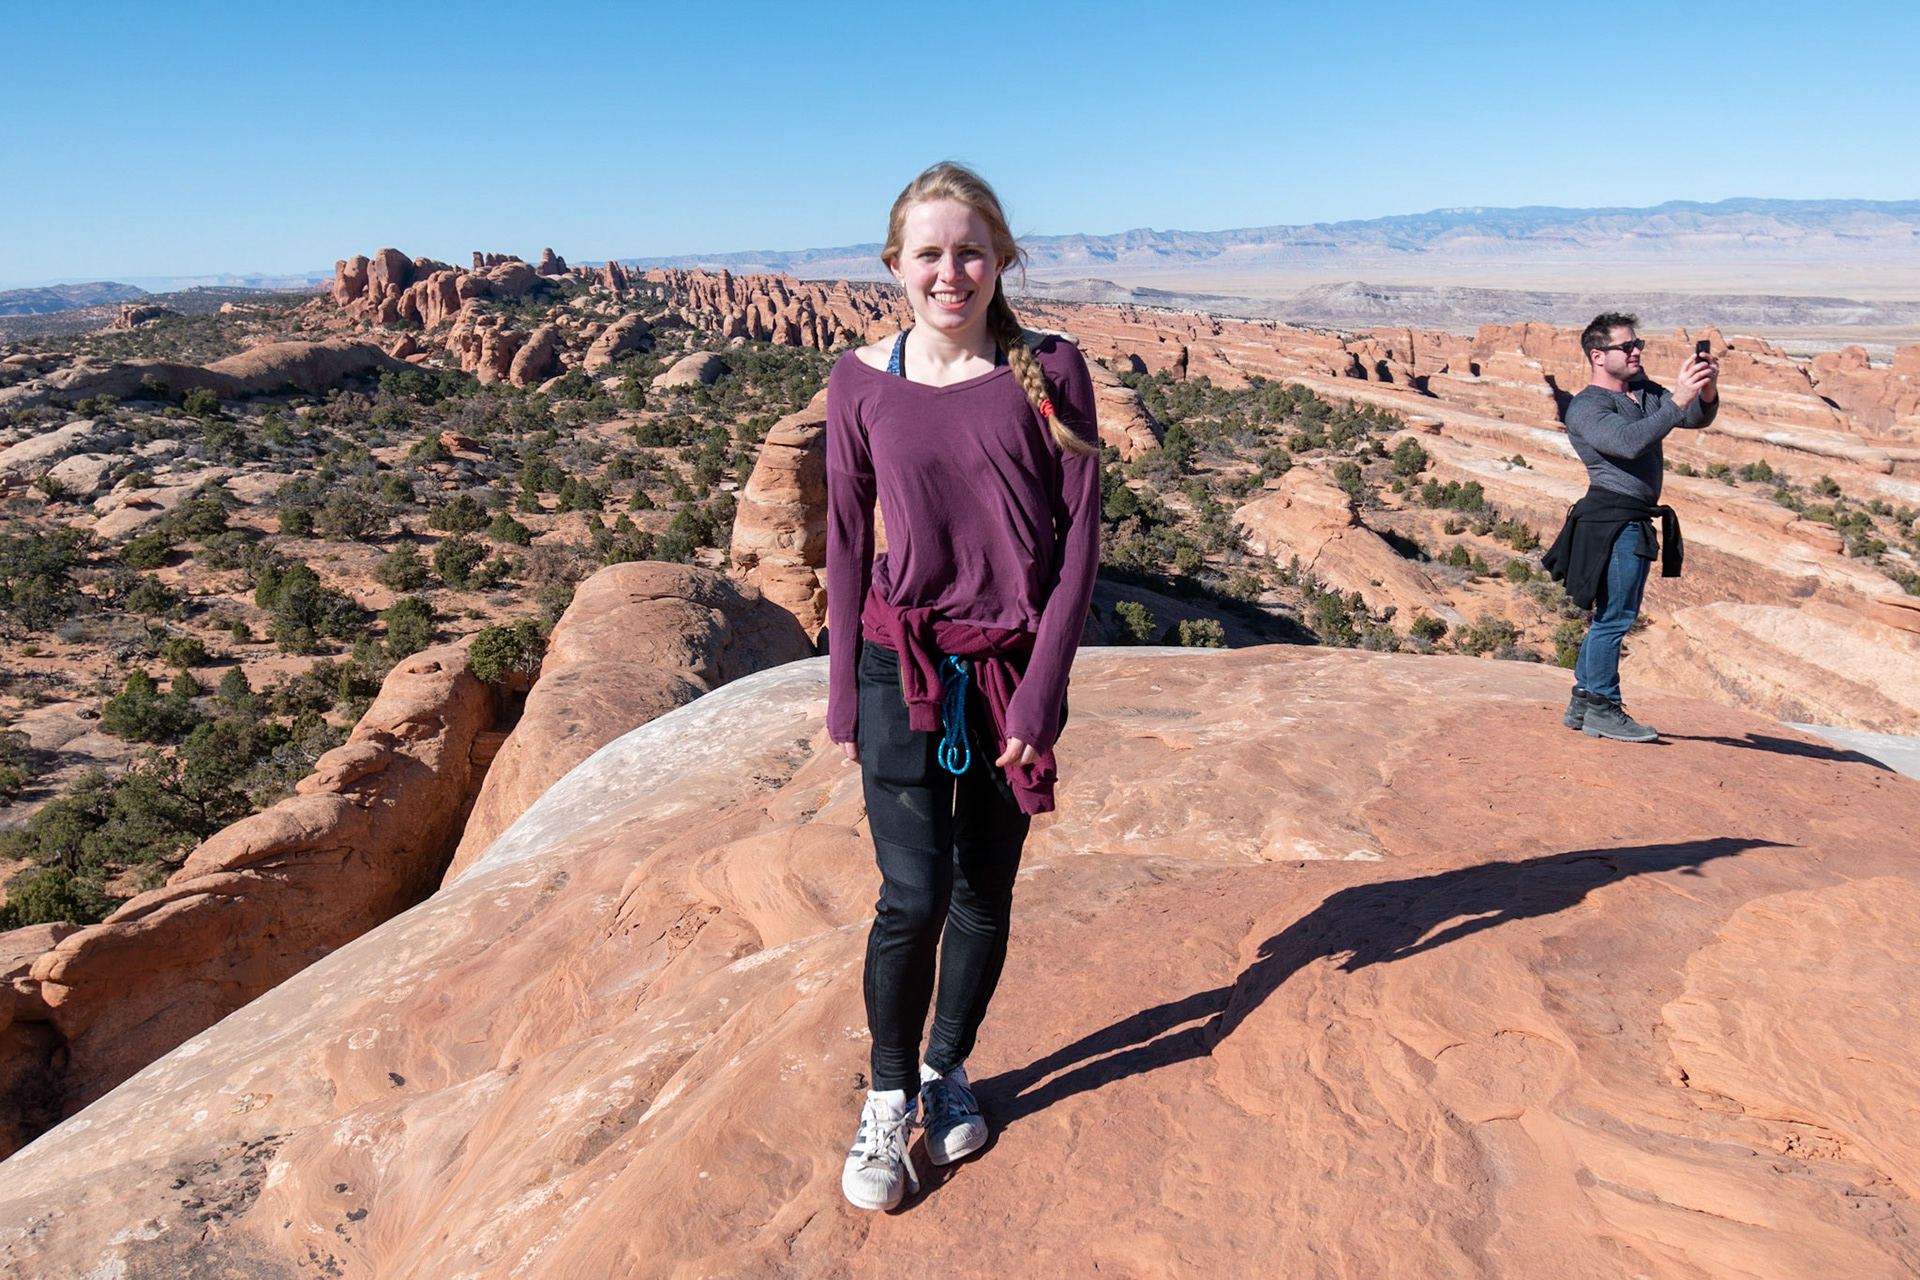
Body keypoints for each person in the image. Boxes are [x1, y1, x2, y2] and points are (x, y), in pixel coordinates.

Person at [825, 162, 1101, 1212]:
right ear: (895, 265)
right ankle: (888, 1092)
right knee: (914, 893)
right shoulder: (858, 380)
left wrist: (1040, 696)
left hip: (1010, 672)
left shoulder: (1054, 370)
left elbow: (1081, 545)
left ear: (1003, 259)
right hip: (902, 662)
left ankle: (947, 1070)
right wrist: (845, 688)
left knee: (986, 887)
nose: (952, 270)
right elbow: (848, 534)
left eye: (971, 249)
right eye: (930, 252)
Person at [1544, 312, 1718, 741]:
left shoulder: (1643, 392)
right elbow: (1629, 443)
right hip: (1612, 521)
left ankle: (1584, 703)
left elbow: (1693, 419)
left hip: (1630, 519)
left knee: (1609, 616)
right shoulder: (1587, 406)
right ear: (1598, 356)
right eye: (1627, 346)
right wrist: (1677, 399)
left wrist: (1704, 389)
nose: (1636, 350)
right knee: (1616, 617)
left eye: (1637, 343)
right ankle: (1603, 706)